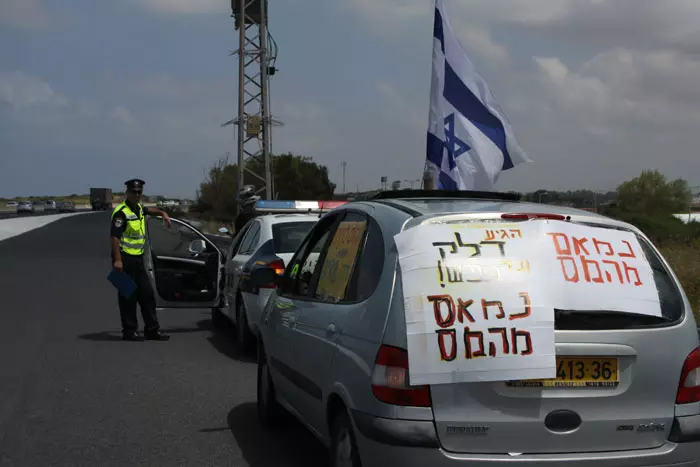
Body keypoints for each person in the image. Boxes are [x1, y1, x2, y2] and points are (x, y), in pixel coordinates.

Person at [111, 178, 172, 342]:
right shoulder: (121, 213)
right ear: (127, 193)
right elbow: (115, 238)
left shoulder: (138, 208)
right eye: (134, 192)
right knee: (127, 297)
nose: (137, 195)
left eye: (139, 192)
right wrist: (117, 260)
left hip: (137, 260)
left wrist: (162, 213)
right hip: (124, 260)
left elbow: (148, 210)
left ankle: (152, 330)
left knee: (147, 295)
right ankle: (129, 331)